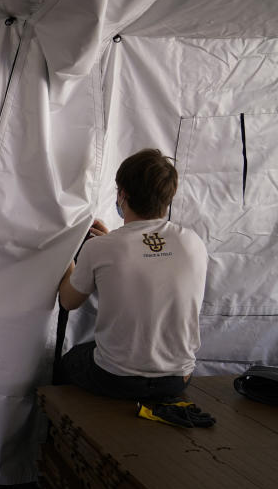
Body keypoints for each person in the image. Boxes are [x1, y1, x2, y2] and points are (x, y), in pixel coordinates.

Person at [56, 148, 208, 400]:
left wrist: (67, 254)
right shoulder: (193, 243)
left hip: (115, 379)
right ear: (169, 196)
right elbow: (153, 262)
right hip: (176, 380)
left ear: (122, 194)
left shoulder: (100, 249)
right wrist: (110, 245)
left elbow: (68, 301)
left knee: (70, 360)